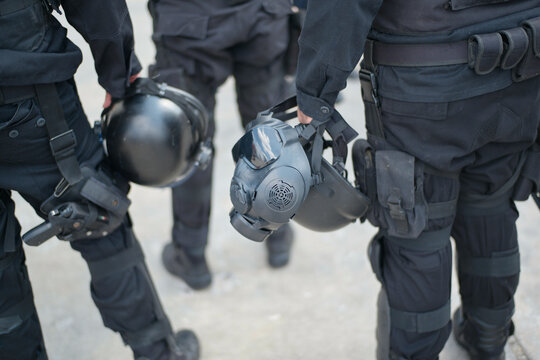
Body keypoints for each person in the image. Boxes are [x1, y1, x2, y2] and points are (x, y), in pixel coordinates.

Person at [296, 1, 540, 359]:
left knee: (418, 233)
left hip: (425, 87)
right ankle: (488, 340)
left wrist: (315, 94)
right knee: (491, 208)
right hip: (520, 68)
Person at [0, 0, 199, 359]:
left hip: (28, 94)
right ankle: (158, 353)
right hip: (31, 101)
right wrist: (120, 74)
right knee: (100, 221)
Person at [148, 0, 295, 290]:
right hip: (260, 14)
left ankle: (191, 255)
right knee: (266, 134)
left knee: (193, 142)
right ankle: (277, 236)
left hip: (189, 19)